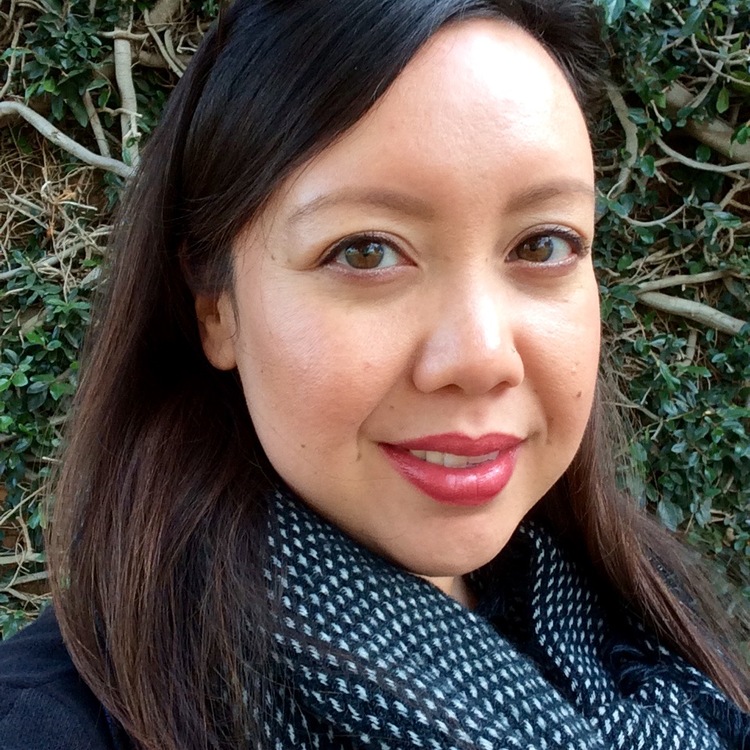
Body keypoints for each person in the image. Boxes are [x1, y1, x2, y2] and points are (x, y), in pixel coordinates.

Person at [1, 1, 748, 748]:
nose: (483, 357)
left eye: (543, 244)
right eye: (366, 252)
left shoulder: (643, 627)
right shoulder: (48, 726)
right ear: (216, 308)